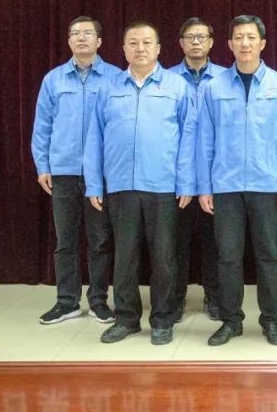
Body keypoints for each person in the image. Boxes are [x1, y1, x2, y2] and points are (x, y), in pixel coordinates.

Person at [83, 21, 196, 345]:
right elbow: (94, 138)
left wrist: (186, 182)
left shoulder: (176, 87)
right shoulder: (109, 88)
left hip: (163, 186)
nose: (140, 48)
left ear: (159, 48)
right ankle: (126, 319)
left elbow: (189, 138)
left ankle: (162, 319)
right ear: (123, 49)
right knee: (125, 258)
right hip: (121, 186)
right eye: (133, 43)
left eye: (147, 42)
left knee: (164, 258)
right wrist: (94, 184)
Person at [197, 15, 277, 347]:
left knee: (269, 255)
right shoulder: (213, 87)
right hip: (225, 186)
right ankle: (231, 320)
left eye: (251, 37)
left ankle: (271, 319)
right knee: (228, 256)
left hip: (267, 185)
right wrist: (204, 186)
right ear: (229, 44)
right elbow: (204, 140)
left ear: (262, 43)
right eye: (238, 37)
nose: (245, 43)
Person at [31, 16, 121, 325]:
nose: (81, 38)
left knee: (100, 241)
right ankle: (66, 301)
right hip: (64, 172)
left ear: (99, 41)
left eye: (87, 33)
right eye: (75, 33)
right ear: (69, 41)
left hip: (102, 174)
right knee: (65, 241)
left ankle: (98, 300)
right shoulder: (53, 80)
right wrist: (43, 165)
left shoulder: (116, 78)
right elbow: (42, 126)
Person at [168, 17, 226, 323]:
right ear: (181, 43)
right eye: (190, 37)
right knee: (174, 243)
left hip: (216, 176)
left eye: (201, 37)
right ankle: (175, 299)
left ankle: (214, 297)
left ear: (212, 42)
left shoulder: (226, 78)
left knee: (215, 242)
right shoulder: (166, 79)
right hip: (174, 177)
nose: (195, 42)